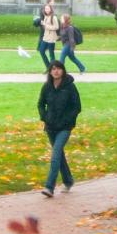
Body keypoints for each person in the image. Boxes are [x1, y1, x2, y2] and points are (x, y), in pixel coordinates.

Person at [37, 64, 82, 197]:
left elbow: (77, 107)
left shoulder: (70, 87)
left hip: (65, 127)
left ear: (63, 70)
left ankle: (49, 187)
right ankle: (68, 181)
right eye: (53, 69)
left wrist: (67, 120)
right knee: (59, 156)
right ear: (50, 72)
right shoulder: (47, 87)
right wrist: (45, 117)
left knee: (56, 154)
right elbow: (40, 104)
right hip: (51, 127)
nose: (56, 71)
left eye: (58, 68)